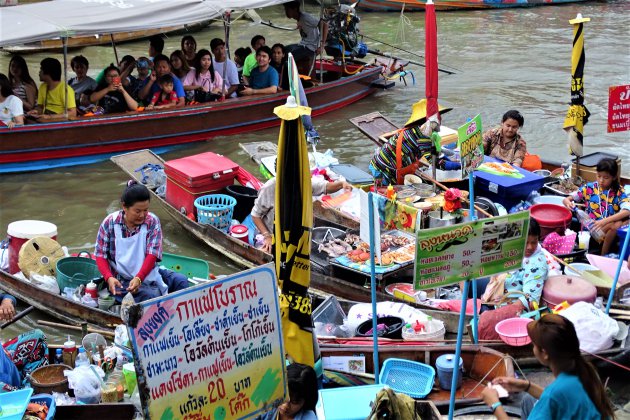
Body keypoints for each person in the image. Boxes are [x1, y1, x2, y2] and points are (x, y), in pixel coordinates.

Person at [482, 314, 615, 420]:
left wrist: (494, 404)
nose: (533, 348)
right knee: (529, 399)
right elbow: (558, 400)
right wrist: (526, 386)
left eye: (534, 345)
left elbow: (553, 398)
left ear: (544, 353)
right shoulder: (585, 370)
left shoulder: (555, 393)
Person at [95, 181, 188, 303]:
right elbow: (100, 255)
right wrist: (109, 278)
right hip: (121, 279)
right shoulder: (110, 223)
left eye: (146, 210)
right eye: (137, 211)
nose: (142, 215)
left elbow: (152, 254)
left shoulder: (152, 221)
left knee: (181, 281)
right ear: (124, 207)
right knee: (152, 296)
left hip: (148, 272)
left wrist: (139, 277)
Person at [248, 176, 351, 252]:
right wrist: (267, 236)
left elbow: (326, 187)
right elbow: (255, 215)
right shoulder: (269, 188)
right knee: (265, 253)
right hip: (273, 235)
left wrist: (342, 184)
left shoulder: (302, 182)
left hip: (298, 234)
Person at [563, 157, 630, 255]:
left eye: (606, 178)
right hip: (592, 228)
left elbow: (627, 210)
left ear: (614, 177)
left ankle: (603, 254)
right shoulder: (589, 188)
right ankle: (603, 255)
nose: (601, 180)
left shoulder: (619, 191)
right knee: (616, 224)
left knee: (619, 223)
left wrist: (603, 222)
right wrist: (567, 202)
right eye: (599, 176)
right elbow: (567, 199)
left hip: (608, 228)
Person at [0, 294, 49, 393]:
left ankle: (28, 387)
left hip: (4, 359)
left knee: (37, 337)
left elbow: (8, 297)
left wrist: (7, 301)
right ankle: (21, 395)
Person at [283, 1, 329, 74]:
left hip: (310, 47)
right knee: (283, 49)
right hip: (303, 44)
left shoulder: (305, 17)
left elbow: (325, 25)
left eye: (287, 9)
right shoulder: (299, 19)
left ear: (295, 9)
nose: (286, 12)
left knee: (287, 58)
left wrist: (322, 46)